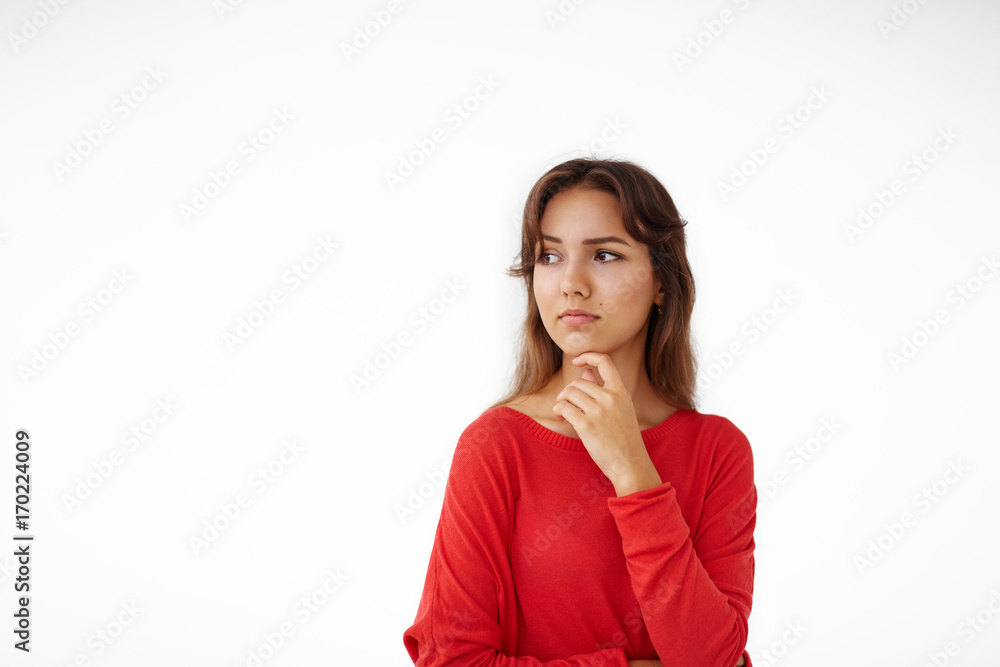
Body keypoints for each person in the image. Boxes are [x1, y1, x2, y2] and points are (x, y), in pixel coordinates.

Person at [403, 157, 756, 666]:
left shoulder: (718, 451)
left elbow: (712, 660)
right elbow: (451, 660)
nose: (571, 283)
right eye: (549, 256)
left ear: (662, 282)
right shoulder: (496, 445)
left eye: (605, 256)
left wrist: (632, 470)